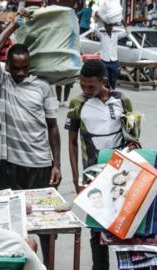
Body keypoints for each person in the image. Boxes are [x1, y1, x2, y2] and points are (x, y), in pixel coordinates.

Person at [0, 11, 61, 267]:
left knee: (45, 226)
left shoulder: (43, 86)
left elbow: (53, 127)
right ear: (8, 66)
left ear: (30, 66)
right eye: (15, 68)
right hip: (10, 166)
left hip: (40, 165)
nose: (19, 73)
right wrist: (14, 24)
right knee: (9, 224)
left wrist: (56, 164)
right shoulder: (2, 82)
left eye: (24, 68)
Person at [65, 59, 132, 270]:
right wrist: (77, 180)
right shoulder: (78, 104)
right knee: (96, 230)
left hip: (121, 176)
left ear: (103, 81)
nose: (86, 90)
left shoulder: (122, 100)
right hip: (92, 177)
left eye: (90, 86)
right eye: (82, 85)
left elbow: (132, 137)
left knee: (124, 225)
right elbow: (72, 144)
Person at [93, 20, 131, 90]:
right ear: (105, 27)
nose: (110, 27)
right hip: (104, 61)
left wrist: (123, 23)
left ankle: (112, 93)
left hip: (114, 61)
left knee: (113, 80)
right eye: (108, 26)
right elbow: (95, 30)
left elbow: (128, 32)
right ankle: (105, 93)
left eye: (111, 26)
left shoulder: (116, 35)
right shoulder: (102, 35)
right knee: (105, 80)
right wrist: (98, 20)